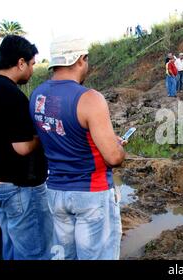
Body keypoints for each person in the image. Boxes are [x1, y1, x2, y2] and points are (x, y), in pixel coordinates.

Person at [29, 36, 126, 260]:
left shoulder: (37, 95)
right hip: (90, 192)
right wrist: (118, 147)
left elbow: (54, 134)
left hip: (55, 191)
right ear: (81, 59)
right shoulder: (89, 98)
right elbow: (113, 158)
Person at [0, 35, 52, 260]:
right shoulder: (10, 94)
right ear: (21, 62)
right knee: (34, 251)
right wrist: (43, 134)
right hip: (17, 187)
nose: (32, 70)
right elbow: (23, 147)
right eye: (32, 64)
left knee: (11, 245)